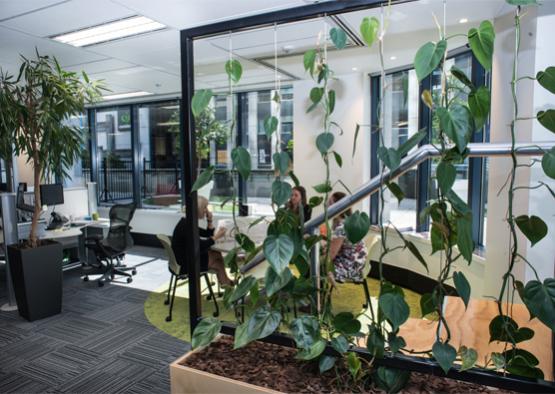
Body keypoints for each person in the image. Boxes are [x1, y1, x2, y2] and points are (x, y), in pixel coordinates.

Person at [172, 196, 234, 287]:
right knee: (217, 258)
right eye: (204, 207)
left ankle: (225, 282)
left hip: (185, 257)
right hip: (185, 264)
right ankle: (225, 282)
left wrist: (210, 220)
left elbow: (206, 234)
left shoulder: (187, 222)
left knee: (216, 255)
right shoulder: (187, 226)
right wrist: (217, 236)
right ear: (198, 209)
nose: (206, 210)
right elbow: (201, 245)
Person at [327, 192, 368, 283]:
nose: (327, 206)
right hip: (358, 265)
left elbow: (331, 255)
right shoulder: (349, 222)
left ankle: (317, 296)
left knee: (316, 266)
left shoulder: (341, 227)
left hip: (349, 268)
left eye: (330, 203)